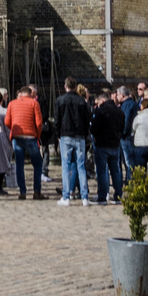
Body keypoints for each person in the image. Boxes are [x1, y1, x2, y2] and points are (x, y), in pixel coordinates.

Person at [53, 78, 93, 206]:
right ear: (75, 87)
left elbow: (56, 120)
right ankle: (84, 197)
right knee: (81, 166)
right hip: (80, 136)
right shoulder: (82, 101)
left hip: (66, 135)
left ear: (65, 86)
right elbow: (87, 120)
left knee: (66, 166)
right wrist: (85, 133)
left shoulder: (60, 100)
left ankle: (66, 196)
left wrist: (58, 134)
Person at [5, 83, 47, 199]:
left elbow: (7, 121)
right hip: (30, 136)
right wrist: (37, 136)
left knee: (19, 164)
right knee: (38, 164)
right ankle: (36, 191)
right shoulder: (34, 103)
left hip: (17, 136)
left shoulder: (12, 104)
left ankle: (22, 191)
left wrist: (14, 129)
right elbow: (39, 123)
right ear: (30, 94)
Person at [91, 88, 127, 204]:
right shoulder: (119, 111)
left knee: (102, 171)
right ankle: (118, 195)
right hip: (115, 144)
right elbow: (122, 127)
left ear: (102, 100)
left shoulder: (101, 111)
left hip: (102, 144)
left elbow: (94, 128)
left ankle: (103, 195)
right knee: (116, 171)